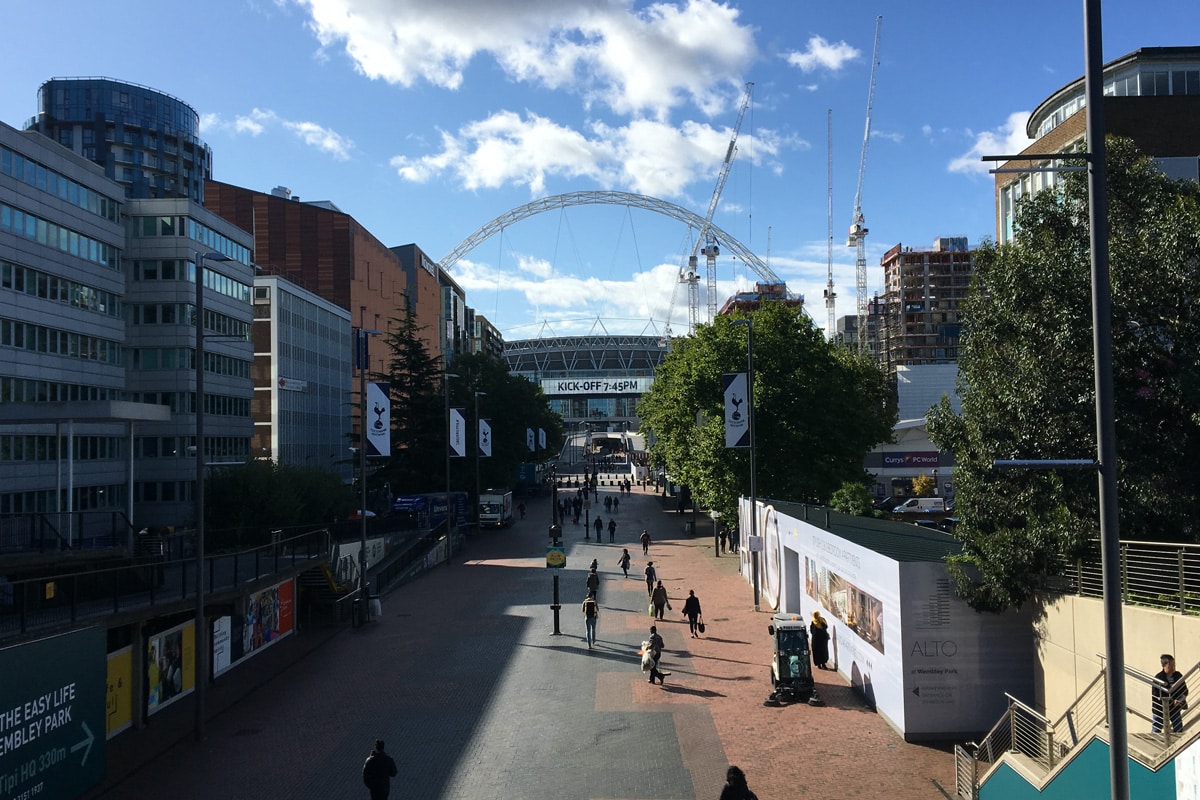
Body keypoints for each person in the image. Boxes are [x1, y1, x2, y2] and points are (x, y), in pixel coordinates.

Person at [1152, 653, 1189, 733]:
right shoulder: (1159, 678)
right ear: (1163, 666)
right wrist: (1172, 702)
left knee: (1178, 729)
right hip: (1160, 708)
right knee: (1156, 729)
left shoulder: (1178, 675)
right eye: (1170, 665)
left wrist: (1182, 698)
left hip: (1175, 708)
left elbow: (1185, 690)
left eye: (1174, 665)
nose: (1173, 668)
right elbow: (1156, 695)